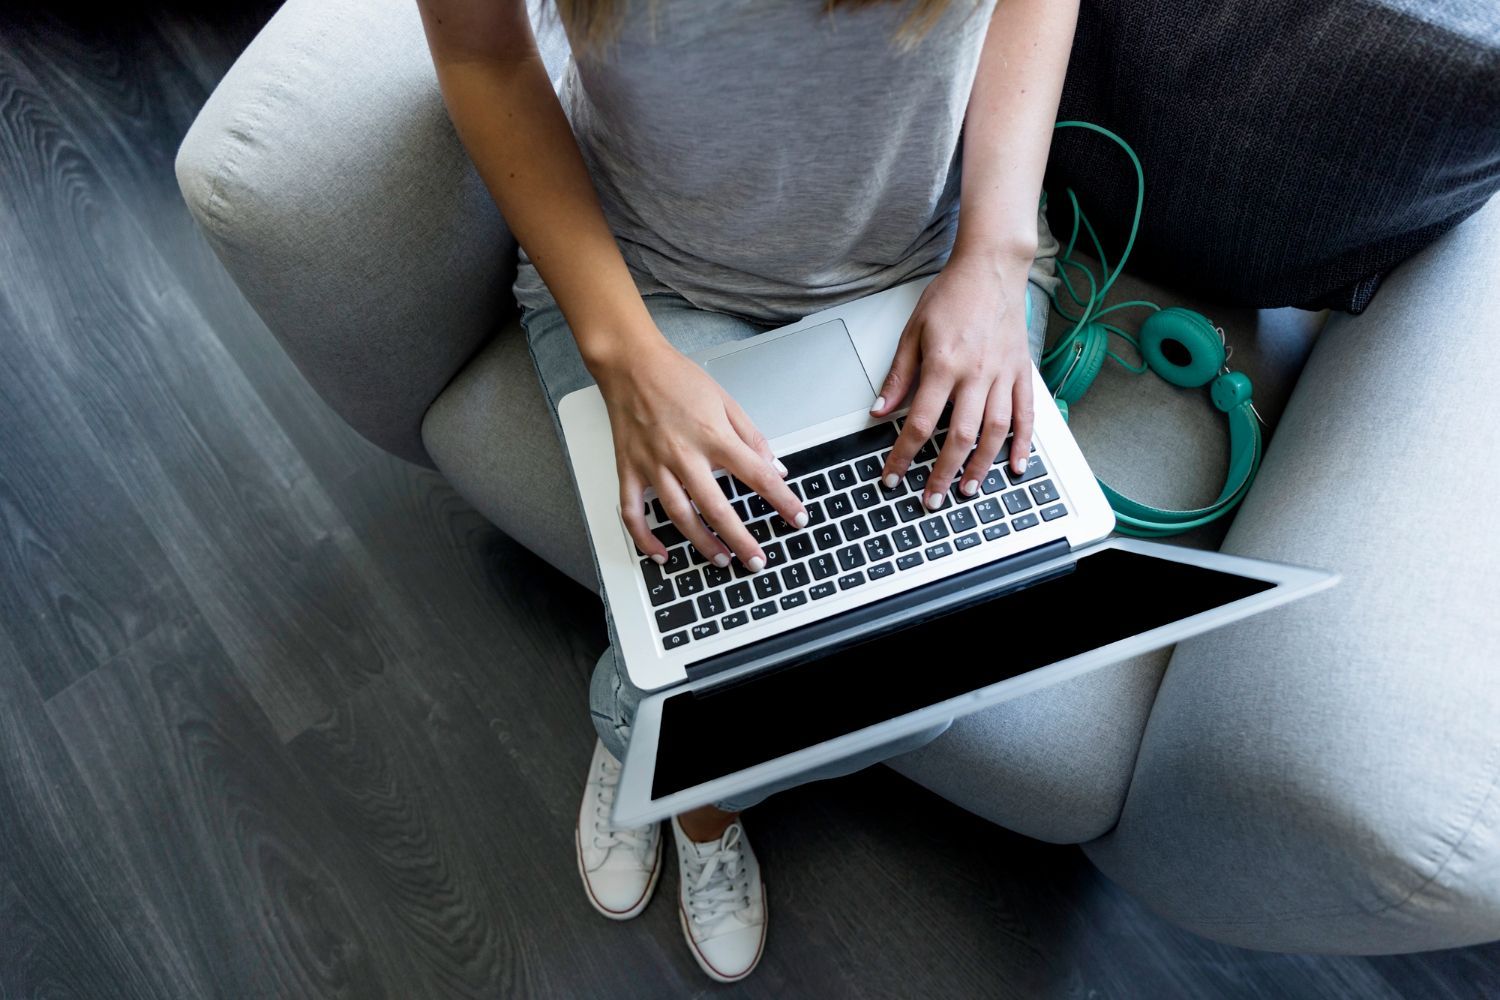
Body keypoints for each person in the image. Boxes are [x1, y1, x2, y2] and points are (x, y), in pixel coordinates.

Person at [417, 0, 1076, 982]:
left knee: (930, 685)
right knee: (711, 648)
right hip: (649, 288)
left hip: (933, 270)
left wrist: (995, 257)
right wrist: (625, 356)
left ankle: (664, 758)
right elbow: (482, 54)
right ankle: (690, 783)